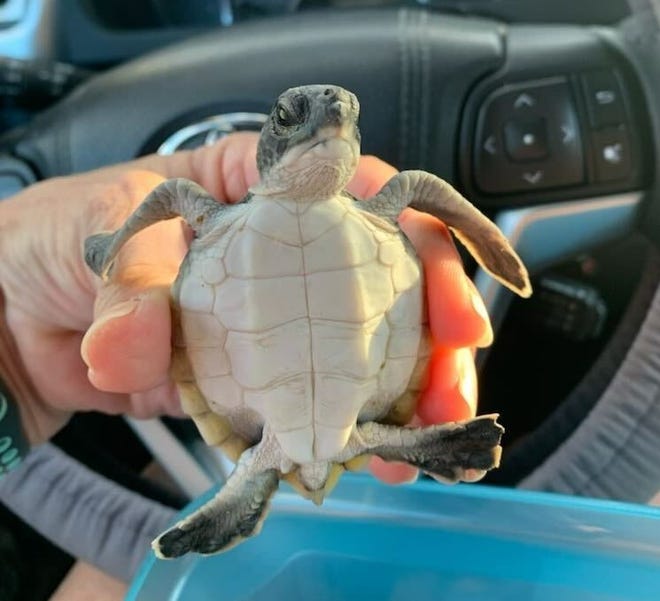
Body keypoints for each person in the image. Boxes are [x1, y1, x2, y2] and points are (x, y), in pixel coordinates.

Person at [0, 132, 493, 597]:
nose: (329, 115)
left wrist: (14, 370)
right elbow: (171, 194)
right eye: (293, 115)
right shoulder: (221, 214)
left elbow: (171, 196)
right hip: (314, 417)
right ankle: (329, 455)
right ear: (267, 150)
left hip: (318, 409)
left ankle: (263, 473)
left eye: (345, 114)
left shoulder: (377, 206)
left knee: (414, 189)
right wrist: (116, 245)